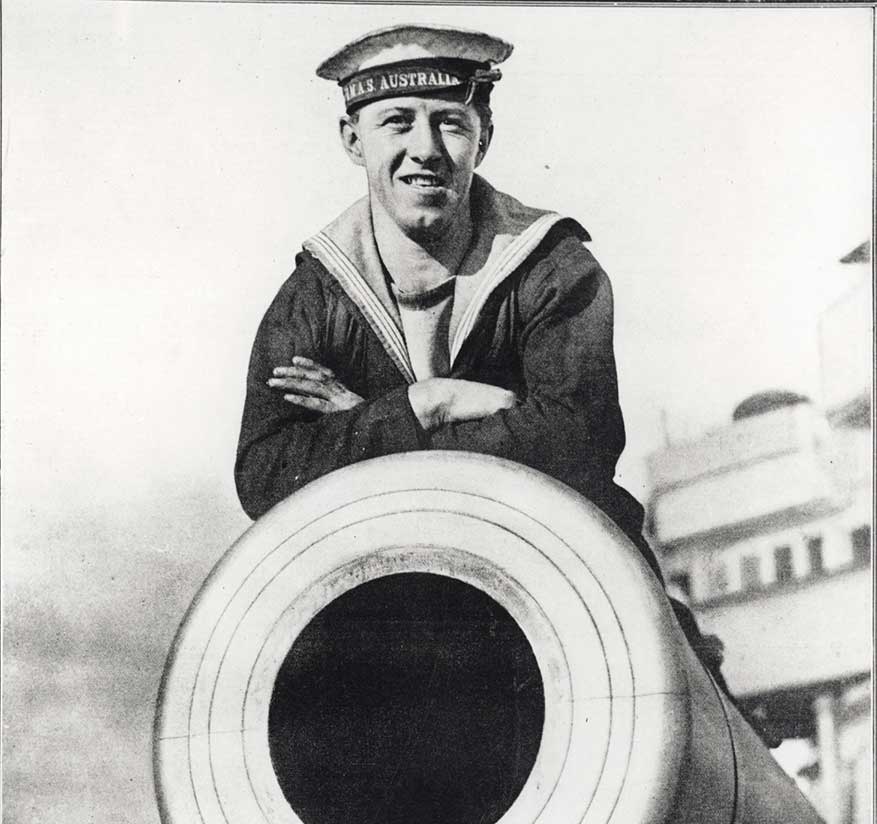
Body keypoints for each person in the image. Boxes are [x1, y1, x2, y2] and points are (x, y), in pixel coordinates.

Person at [235, 22, 765, 746]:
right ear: (352, 140)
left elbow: (576, 444)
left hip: (563, 584)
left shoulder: (552, 265)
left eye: (449, 122)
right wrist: (427, 403)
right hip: (398, 595)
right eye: (396, 122)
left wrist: (368, 430)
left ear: (482, 138)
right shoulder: (313, 296)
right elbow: (265, 476)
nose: (425, 149)